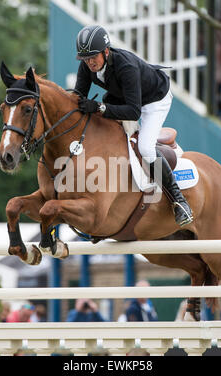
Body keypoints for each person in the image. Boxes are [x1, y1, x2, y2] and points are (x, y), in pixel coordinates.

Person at [74, 25, 193, 227]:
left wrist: (100, 107)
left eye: (93, 57)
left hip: (155, 99)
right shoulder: (87, 65)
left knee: (145, 147)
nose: (89, 62)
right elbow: (77, 97)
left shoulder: (125, 66)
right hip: (126, 96)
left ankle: (179, 201)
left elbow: (133, 112)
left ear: (106, 51)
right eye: (85, 58)